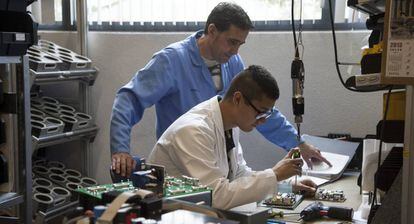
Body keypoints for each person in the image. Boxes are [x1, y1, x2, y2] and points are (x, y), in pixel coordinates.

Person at [110, 2, 331, 177]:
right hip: (183, 168)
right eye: (231, 42)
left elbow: (258, 110)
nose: (235, 51)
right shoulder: (171, 60)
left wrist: (298, 143)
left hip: (221, 163)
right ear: (212, 30)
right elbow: (128, 99)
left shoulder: (232, 63)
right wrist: (120, 149)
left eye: (240, 45)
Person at [148, 65, 317, 209]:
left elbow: (238, 175)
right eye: (260, 112)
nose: (264, 120)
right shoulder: (193, 131)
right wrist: (274, 175)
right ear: (237, 99)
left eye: (268, 113)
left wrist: (284, 186)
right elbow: (215, 197)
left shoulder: (230, 125)